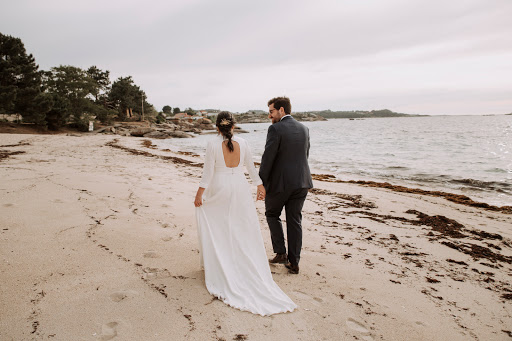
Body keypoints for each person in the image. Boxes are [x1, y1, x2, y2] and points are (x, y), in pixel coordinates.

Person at [194, 111, 296, 316]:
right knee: (240, 226)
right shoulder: (244, 142)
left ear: (217, 127)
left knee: (219, 224)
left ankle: (220, 261)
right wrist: (259, 186)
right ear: (234, 126)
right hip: (239, 187)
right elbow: (251, 168)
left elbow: (208, 173)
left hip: (220, 186)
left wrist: (199, 194)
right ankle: (237, 260)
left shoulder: (212, 144)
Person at [259, 97, 313, 275]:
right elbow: (305, 154)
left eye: (271, 111)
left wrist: (262, 183)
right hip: (302, 182)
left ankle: (281, 253)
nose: (269, 116)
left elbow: (268, 159)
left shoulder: (275, 129)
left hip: (281, 184)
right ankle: (295, 262)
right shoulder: (304, 128)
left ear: (281, 110)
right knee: (295, 220)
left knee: (272, 214)